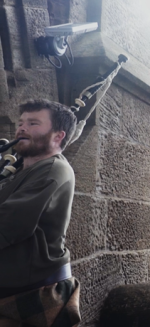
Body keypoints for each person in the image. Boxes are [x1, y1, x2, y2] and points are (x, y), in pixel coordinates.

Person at [0, 99, 81, 326]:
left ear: (58, 136)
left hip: (28, 294)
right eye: (21, 123)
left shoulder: (53, 169)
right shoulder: (21, 169)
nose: (22, 128)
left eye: (33, 123)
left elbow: (9, 224)